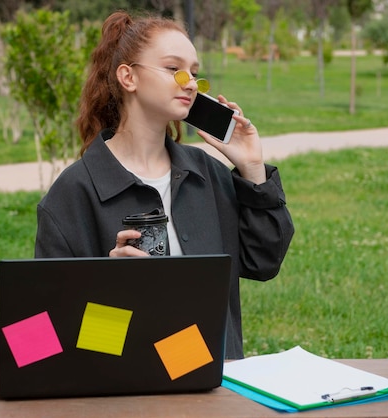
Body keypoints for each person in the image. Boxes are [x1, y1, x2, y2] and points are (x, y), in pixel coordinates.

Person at [34, 10, 294, 359]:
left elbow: (264, 262)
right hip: (127, 391)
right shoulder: (73, 195)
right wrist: (109, 287)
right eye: (175, 69)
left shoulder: (209, 175)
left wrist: (251, 167)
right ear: (128, 77)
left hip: (216, 384)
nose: (190, 83)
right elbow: (41, 340)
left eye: (196, 74)